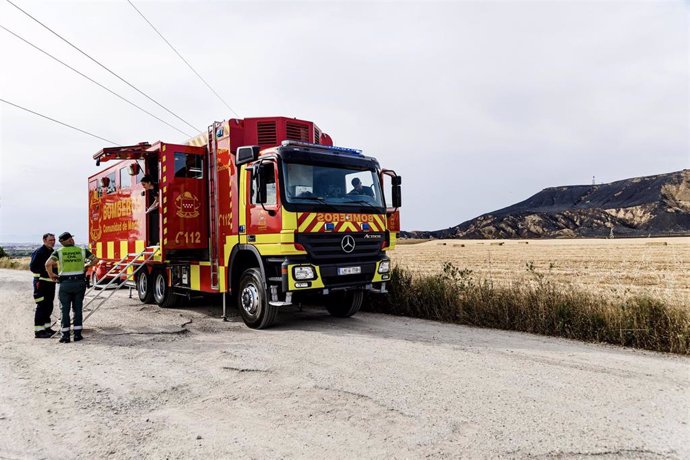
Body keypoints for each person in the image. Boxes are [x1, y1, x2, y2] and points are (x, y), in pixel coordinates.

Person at [46, 232, 98, 343]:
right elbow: (96, 260)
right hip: (79, 283)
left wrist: (52, 275)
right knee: (78, 309)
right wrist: (87, 265)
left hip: (65, 283)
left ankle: (65, 336)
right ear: (69, 240)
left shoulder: (59, 252)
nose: (72, 240)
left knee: (64, 309)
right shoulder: (82, 250)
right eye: (71, 238)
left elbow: (47, 264)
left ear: (62, 242)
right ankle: (77, 334)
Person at [30, 233, 57, 338]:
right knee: (41, 306)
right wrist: (46, 270)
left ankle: (47, 328)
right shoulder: (39, 252)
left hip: (50, 283)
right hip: (40, 283)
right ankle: (39, 331)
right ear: (44, 240)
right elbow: (33, 267)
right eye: (50, 240)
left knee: (49, 306)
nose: (53, 242)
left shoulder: (52, 252)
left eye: (54, 240)